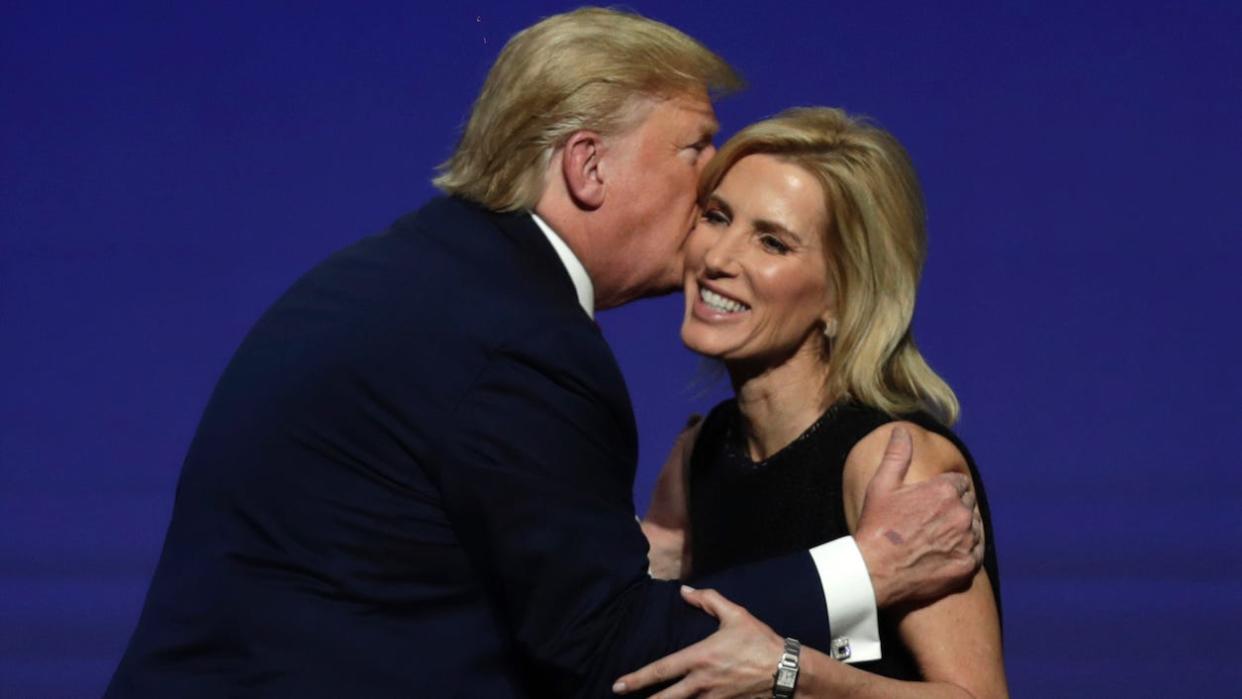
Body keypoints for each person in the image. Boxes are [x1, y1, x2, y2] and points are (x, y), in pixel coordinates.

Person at [105, 11, 983, 698]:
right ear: (588, 169)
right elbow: (607, 651)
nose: (710, 188)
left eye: (770, 237)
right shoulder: (521, 341)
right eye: (696, 157)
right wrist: (861, 569)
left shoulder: (434, 275)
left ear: (843, 287)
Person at [618, 108, 1007, 697]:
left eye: (772, 242)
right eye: (717, 217)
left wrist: (788, 673)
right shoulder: (701, 450)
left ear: (844, 297)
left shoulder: (894, 461)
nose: (718, 258)